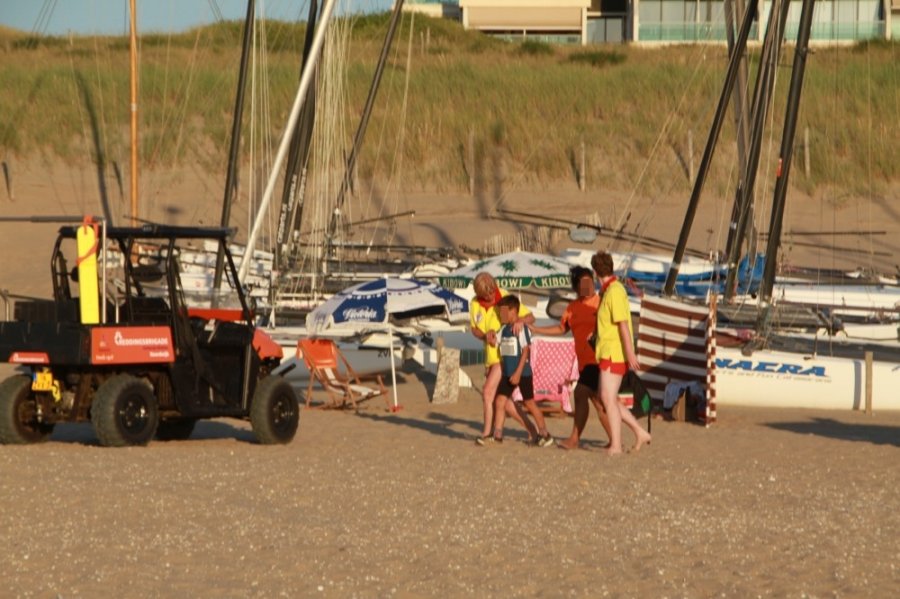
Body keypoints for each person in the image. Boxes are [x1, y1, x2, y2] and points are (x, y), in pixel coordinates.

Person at [529, 266, 611, 450]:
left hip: (599, 360)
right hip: (584, 362)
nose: (587, 286)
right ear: (576, 287)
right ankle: (614, 440)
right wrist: (537, 330)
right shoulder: (572, 308)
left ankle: (576, 439)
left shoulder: (601, 303)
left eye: (589, 282)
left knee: (588, 396)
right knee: (597, 401)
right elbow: (561, 328)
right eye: (582, 283)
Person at [591, 251, 652, 455]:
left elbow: (623, 325)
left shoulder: (614, 291)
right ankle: (639, 431)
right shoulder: (609, 291)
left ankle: (616, 444)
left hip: (614, 353)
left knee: (608, 398)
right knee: (608, 397)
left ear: (595, 272)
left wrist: (630, 353)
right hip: (608, 351)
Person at [469, 272, 537, 445]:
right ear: (479, 294)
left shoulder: (505, 297)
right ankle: (531, 429)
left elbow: (530, 317)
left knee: (487, 392)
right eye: (487, 295)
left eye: (492, 292)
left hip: (505, 356)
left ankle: (487, 433)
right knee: (505, 402)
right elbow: (474, 329)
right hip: (490, 358)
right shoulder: (475, 304)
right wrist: (485, 335)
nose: (491, 297)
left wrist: (520, 321)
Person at [491, 295, 554, 447]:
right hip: (507, 373)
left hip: (522, 373)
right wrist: (490, 335)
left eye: (504, 312)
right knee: (499, 401)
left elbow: (526, 350)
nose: (501, 315)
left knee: (530, 403)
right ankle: (497, 434)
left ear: (514, 311)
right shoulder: (503, 329)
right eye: (500, 312)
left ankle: (544, 433)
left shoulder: (521, 328)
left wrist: (518, 373)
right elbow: (494, 342)